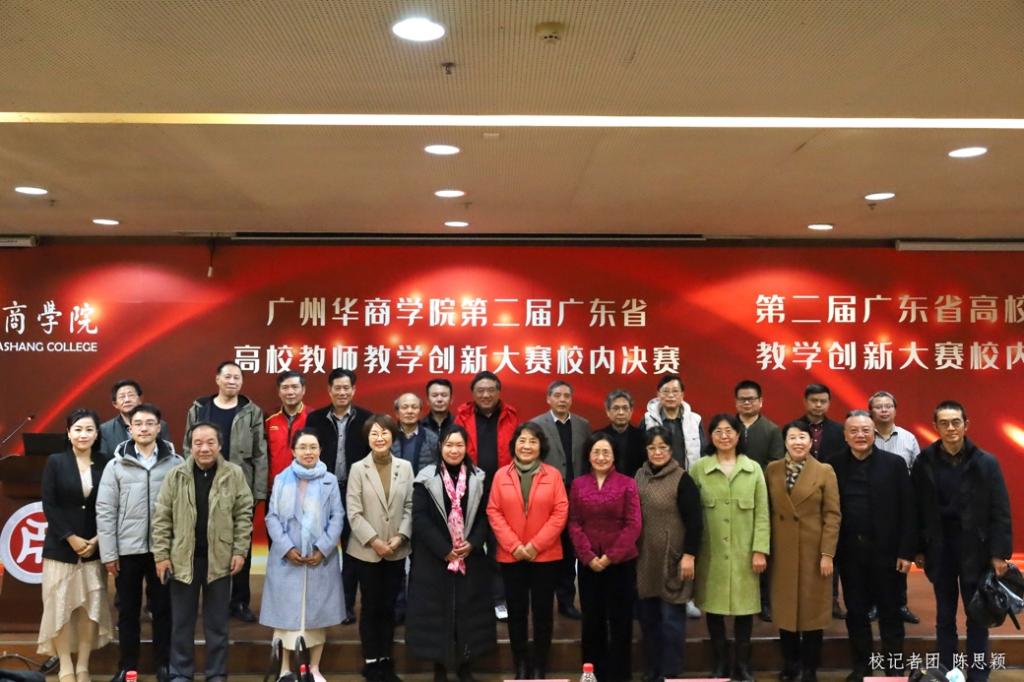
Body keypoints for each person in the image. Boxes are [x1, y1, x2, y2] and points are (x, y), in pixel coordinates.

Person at [912, 401, 1013, 682]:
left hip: (976, 550)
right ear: (935, 427)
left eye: (956, 422)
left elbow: (1000, 510)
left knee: (977, 615)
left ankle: (978, 674)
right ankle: (946, 672)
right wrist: (918, 547)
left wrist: (999, 553)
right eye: (944, 423)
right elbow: (916, 508)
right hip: (940, 549)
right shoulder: (924, 462)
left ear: (966, 425)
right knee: (944, 617)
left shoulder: (986, 463)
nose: (950, 428)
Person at [152, 422, 254, 682]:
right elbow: (162, 517)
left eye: (210, 442)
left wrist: (240, 550)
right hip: (182, 561)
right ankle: (181, 673)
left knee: (217, 624)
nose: (204, 448)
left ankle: (216, 673)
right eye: (198, 443)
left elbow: (244, 515)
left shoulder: (234, 474)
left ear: (220, 445)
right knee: (181, 623)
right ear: (190, 446)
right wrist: (161, 556)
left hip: (219, 560)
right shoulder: (176, 475)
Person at [96, 403, 182, 682]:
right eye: (138, 424)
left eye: (149, 423)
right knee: (128, 612)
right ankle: (127, 667)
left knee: (164, 610)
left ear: (159, 427)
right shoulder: (115, 465)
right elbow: (105, 510)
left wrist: (176, 550)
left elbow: (183, 510)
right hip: (127, 550)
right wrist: (109, 553)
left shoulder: (176, 463)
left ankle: (164, 665)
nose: (144, 429)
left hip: (163, 551)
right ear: (130, 429)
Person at [830, 411, 916, 682]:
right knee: (856, 613)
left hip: (887, 553)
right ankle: (862, 667)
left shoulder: (894, 464)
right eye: (854, 431)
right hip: (850, 553)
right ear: (845, 436)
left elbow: (908, 510)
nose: (860, 435)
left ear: (874, 433)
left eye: (866, 430)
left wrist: (906, 551)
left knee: (891, 612)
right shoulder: (832, 465)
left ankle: (894, 669)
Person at [407, 425, 496, 682]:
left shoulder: (479, 477)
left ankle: (465, 664)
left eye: (459, 445)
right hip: (435, 559)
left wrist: (473, 543)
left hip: (470, 558)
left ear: (466, 447)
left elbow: (486, 516)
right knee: (437, 614)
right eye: (449, 445)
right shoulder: (425, 477)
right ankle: (440, 666)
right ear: (440, 447)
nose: (454, 450)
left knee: (468, 613)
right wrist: (445, 550)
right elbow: (420, 518)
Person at [183, 360, 267, 622]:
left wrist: (258, 492)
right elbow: (187, 447)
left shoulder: (251, 411)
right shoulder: (200, 409)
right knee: (205, 540)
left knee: (241, 543)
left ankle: (239, 602)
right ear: (217, 379)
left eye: (237, 377)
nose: (232, 381)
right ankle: (210, 601)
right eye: (228, 376)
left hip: (240, 486)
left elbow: (260, 453)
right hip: (204, 483)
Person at [260, 429, 345, 682]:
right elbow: (272, 517)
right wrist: (287, 548)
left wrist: (323, 548)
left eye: (313, 447)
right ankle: (285, 670)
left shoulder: (330, 480)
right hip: (287, 558)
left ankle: (315, 668)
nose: (309, 452)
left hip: (320, 559)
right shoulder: (281, 479)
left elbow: (338, 516)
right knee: (285, 617)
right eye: (303, 447)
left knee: (318, 615)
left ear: (320, 450)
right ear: (293, 451)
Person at [690, 413, 770, 682]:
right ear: (710, 436)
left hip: (744, 554)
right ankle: (721, 664)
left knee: (745, 612)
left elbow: (762, 514)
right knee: (713, 610)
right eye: (718, 431)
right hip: (710, 553)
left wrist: (760, 550)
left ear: (738, 435)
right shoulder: (699, 469)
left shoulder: (753, 469)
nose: (724, 436)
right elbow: (691, 515)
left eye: (729, 431)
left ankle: (743, 666)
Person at [486, 422, 568, 680]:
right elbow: (493, 511)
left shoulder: (553, 475)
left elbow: (560, 512)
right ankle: (520, 663)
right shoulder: (501, 475)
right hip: (511, 556)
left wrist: (534, 546)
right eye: (522, 440)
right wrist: (515, 546)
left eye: (533, 441)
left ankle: (540, 664)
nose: (527, 446)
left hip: (545, 555)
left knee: (543, 613)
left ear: (541, 446)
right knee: (517, 612)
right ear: (514, 445)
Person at [38, 408, 113, 682]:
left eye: (89, 429)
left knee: (89, 610)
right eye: (78, 429)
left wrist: (98, 538)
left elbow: (111, 504)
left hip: (94, 547)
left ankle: (83, 665)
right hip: (61, 548)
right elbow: (50, 504)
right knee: (60, 608)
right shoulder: (56, 462)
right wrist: (70, 536)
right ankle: (66, 666)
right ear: (68, 433)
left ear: (97, 434)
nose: (83, 434)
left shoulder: (106, 462)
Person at [765, 420, 841, 682]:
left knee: (812, 614)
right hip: (782, 551)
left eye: (802, 437)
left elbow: (832, 515)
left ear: (811, 442)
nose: (797, 442)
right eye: (792, 437)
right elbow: (765, 512)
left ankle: (810, 668)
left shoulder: (824, 471)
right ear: (785, 442)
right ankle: (791, 664)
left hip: (813, 553)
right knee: (785, 612)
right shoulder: (772, 470)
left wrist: (827, 553)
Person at [345, 414, 414, 682]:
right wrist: (374, 541)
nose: (380, 437)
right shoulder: (357, 468)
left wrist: (400, 537)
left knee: (389, 607)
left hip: (396, 550)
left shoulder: (405, 468)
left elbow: (410, 506)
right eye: (374, 433)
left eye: (384, 433)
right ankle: (371, 661)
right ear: (368, 438)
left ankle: (386, 659)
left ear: (392, 436)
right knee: (370, 606)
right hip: (367, 551)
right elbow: (354, 512)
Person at [569, 433, 641, 682]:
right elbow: (574, 523)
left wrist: (610, 557)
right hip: (589, 564)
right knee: (592, 621)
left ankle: (619, 675)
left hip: (621, 563)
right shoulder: (578, 484)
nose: (601, 457)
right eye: (596, 452)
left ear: (614, 456)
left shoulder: (627, 483)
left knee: (621, 621)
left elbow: (633, 525)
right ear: (588, 455)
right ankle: (592, 674)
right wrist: (588, 556)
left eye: (606, 452)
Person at [634, 426, 703, 682]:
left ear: (672, 450)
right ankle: (652, 668)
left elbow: (695, 522)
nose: (657, 452)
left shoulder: (682, 479)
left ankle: (670, 672)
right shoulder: (639, 476)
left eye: (662, 447)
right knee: (648, 619)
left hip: (673, 558)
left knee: (671, 620)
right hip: (644, 559)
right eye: (652, 447)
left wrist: (689, 555)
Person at [306, 367, 373, 622]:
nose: (342, 392)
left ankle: (345, 606)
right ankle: (318, 604)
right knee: (320, 547)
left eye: (347, 387)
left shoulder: (367, 418)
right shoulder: (315, 419)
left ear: (354, 390)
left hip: (355, 492)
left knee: (351, 550)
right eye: (338, 388)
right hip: (322, 491)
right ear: (329, 390)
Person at [453, 370, 520, 619]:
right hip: (469, 491)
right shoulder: (462, 417)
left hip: (503, 491)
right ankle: (470, 599)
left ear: (499, 392)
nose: (486, 395)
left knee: (498, 546)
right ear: (472, 393)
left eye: (491, 390)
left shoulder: (511, 417)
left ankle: (499, 599)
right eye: (480, 390)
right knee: (467, 545)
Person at [530, 379, 592, 620]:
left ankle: (566, 601)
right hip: (548, 496)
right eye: (557, 395)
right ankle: (544, 600)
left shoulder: (583, 425)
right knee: (547, 548)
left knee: (569, 549)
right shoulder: (536, 424)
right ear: (548, 398)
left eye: (567, 395)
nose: (562, 400)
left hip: (577, 496)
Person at [869, 390, 921, 625]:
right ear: (871, 411)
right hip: (870, 507)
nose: (884, 410)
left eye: (888, 406)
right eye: (878, 406)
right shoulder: (864, 435)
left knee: (900, 559)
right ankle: (873, 604)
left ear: (895, 410)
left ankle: (900, 604)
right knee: (871, 560)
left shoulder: (908, 439)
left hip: (900, 509)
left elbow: (918, 474)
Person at [793, 383, 845, 619]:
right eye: (813, 401)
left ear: (829, 403)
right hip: (800, 499)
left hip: (830, 496)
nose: (818, 405)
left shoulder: (839, 431)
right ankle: (801, 598)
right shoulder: (793, 428)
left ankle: (831, 599)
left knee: (830, 549)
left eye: (823, 401)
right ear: (805, 402)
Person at [734, 379, 784, 623]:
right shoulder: (728, 427)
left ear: (760, 401)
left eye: (751, 399)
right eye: (742, 399)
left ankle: (764, 601)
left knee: (761, 551)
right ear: (736, 402)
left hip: (761, 498)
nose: (747, 403)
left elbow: (775, 464)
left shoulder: (772, 430)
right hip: (730, 498)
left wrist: (752, 482)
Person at [642, 374, 706, 471]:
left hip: (688, 476)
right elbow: (641, 453)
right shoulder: (648, 420)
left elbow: (703, 452)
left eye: (675, 391)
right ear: (658, 394)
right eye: (666, 391)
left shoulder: (695, 420)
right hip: (657, 477)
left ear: (682, 395)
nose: (671, 395)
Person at [99, 379, 171, 457]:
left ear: (140, 399)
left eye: (131, 395)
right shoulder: (105, 430)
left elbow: (167, 455)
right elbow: (103, 459)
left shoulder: (160, 425)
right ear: (115, 404)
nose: (127, 400)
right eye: (122, 397)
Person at [266, 371, 309, 493]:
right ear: (279, 392)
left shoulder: (313, 418)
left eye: (295, 387)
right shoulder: (269, 420)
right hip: (276, 487)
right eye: (285, 388)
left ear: (303, 390)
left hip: (306, 486)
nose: (290, 392)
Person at [596, 389, 645, 477]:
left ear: (631, 411)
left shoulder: (642, 437)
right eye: (616, 408)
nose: (621, 412)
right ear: (608, 412)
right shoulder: (598, 437)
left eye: (625, 408)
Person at [392, 392, 439, 475]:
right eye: (405, 407)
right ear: (397, 413)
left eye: (414, 407)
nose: (410, 411)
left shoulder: (432, 438)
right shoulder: (389, 438)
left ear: (420, 413)